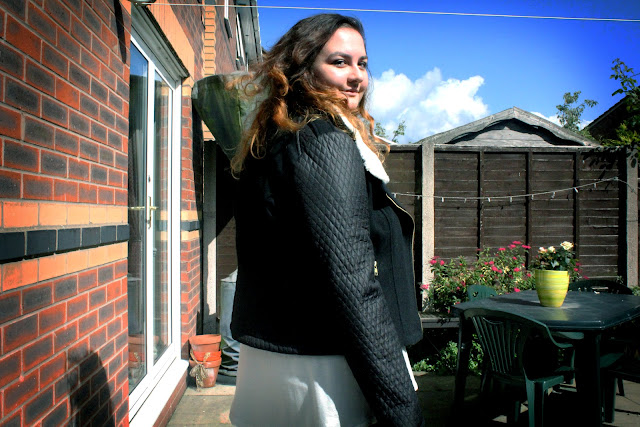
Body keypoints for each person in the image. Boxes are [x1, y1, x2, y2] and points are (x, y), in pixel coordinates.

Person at [228, 13, 424, 427]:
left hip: (276, 356)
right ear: (301, 68)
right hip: (328, 365)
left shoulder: (275, 139)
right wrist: (402, 411)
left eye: (362, 63)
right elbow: (353, 283)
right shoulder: (324, 142)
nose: (357, 76)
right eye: (339, 62)